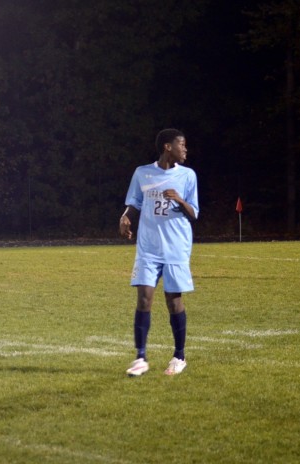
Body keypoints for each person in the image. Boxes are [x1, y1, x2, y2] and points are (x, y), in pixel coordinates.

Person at [118, 128, 199, 377]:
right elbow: (134, 203)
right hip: (148, 248)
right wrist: (125, 218)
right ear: (167, 146)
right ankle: (141, 357)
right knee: (144, 298)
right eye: (182, 144)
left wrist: (179, 199)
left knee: (173, 301)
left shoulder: (187, 176)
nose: (185, 149)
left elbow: (194, 213)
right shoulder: (143, 173)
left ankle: (179, 356)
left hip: (176, 248)